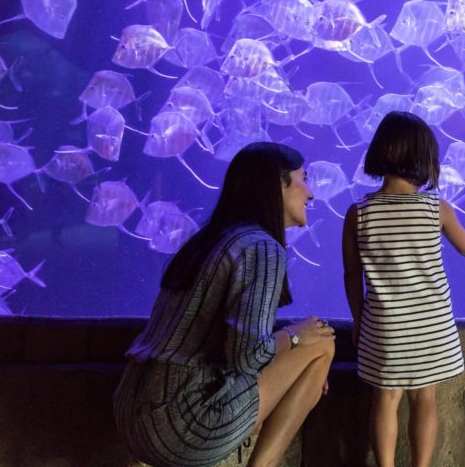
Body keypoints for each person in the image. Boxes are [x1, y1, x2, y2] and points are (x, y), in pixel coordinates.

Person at [113, 142, 336, 467]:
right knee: (323, 343)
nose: (311, 193)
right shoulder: (261, 248)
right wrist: (297, 337)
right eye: (304, 178)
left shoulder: (209, 241)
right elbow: (247, 358)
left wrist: (292, 357)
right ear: (278, 184)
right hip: (181, 425)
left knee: (309, 346)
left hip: (130, 413)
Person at [341, 111, 465, 467]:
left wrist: (358, 320)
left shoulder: (359, 213)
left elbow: (352, 275)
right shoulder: (435, 209)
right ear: (425, 159)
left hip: (384, 328)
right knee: (425, 399)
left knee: (384, 400)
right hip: (430, 327)